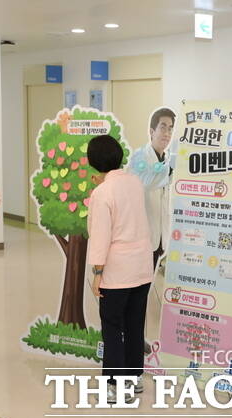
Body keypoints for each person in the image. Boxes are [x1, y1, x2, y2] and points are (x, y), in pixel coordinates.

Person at [87, 134, 153, 403]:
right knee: (135, 324)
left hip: (117, 271)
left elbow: (100, 236)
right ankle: (135, 379)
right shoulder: (134, 182)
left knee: (113, 327)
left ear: (93, 161)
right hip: (142, 268)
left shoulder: (102, 193)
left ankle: (114, 385)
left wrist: (97, 274)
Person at [127, 107, 176, 270]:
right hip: (142, 238)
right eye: (163, 127)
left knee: (153, 278)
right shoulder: (139, 156)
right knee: (141, 281)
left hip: (161, 237)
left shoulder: (166, 158)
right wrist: (170, 169)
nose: (167, 133)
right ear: (151, 131)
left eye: (170, 129)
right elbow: (145, 182)